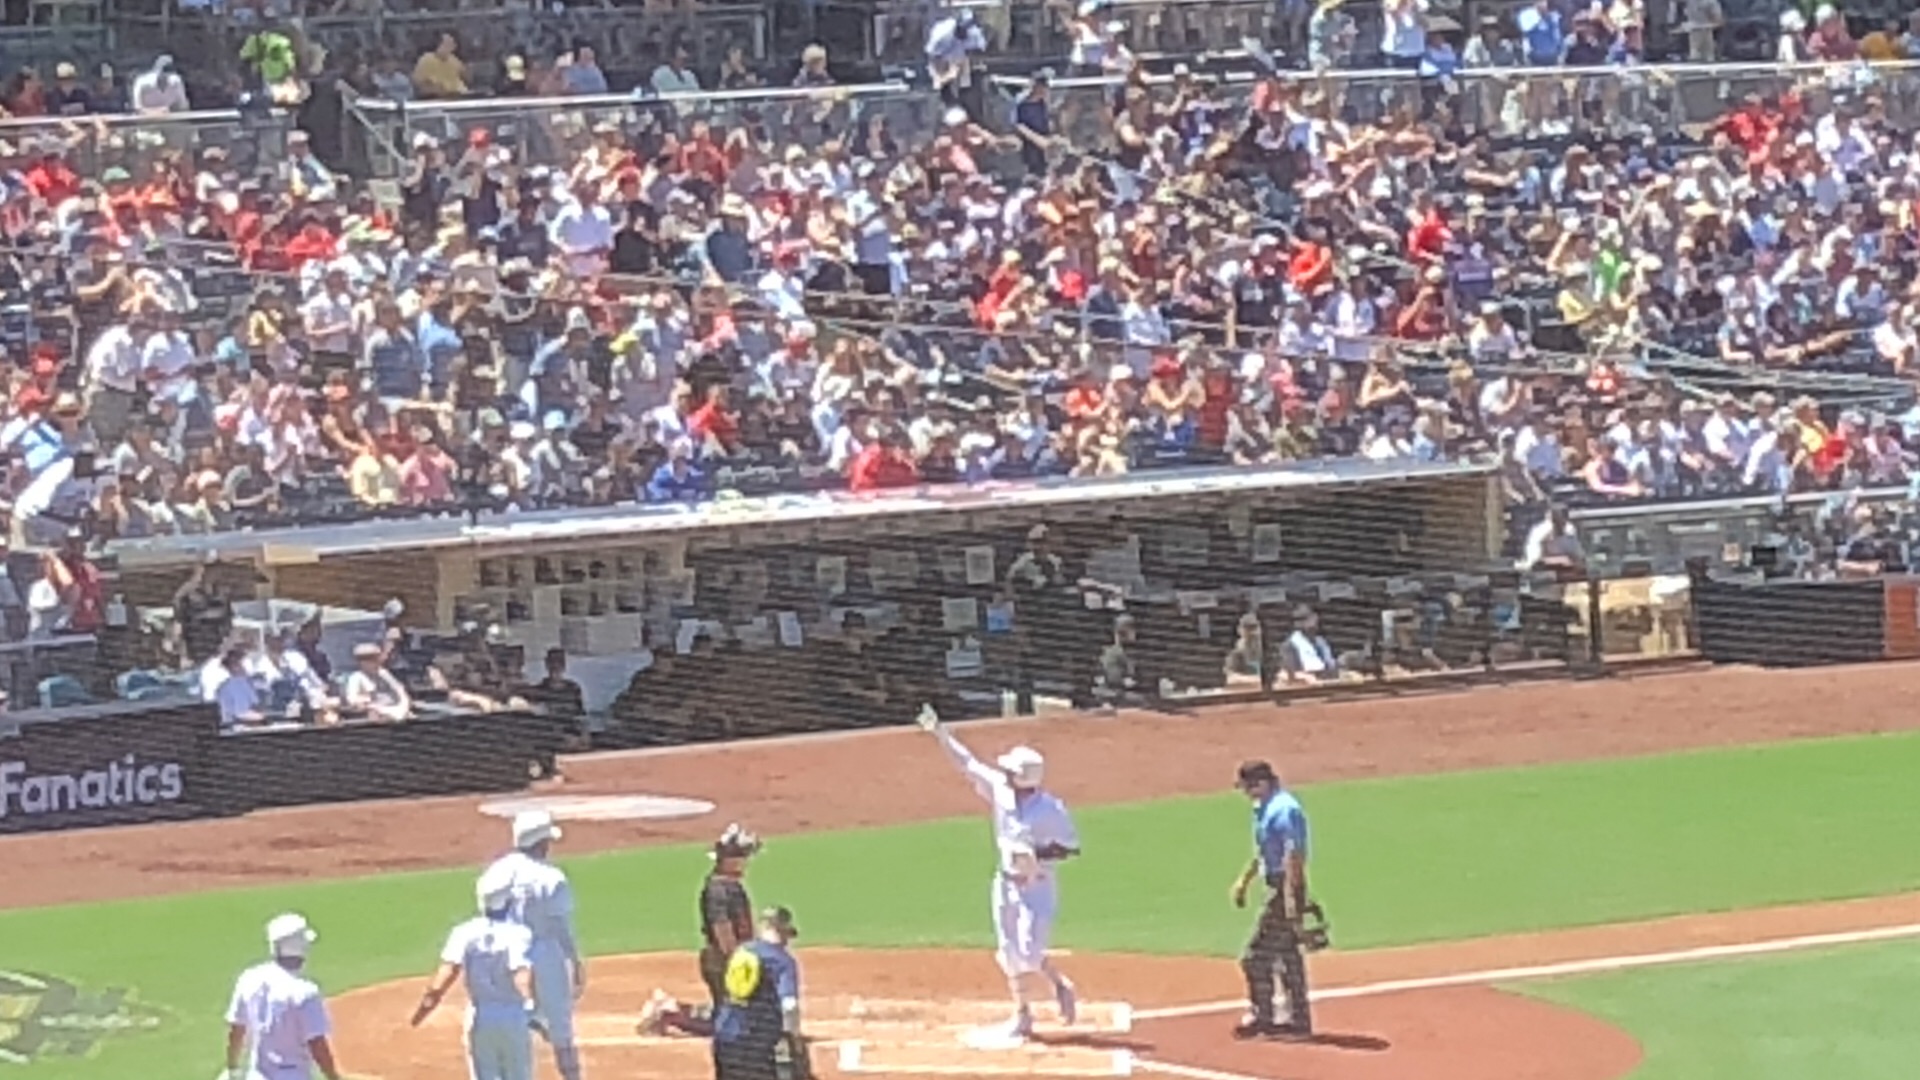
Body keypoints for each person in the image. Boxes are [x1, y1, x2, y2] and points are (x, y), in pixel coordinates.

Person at [916, 704, 1079, 1044]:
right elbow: (967, 764)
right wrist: (940, 733)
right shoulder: (1001, 791)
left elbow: (1070, 847)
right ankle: (1022, 1014)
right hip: (1004, 884)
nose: (1003, 773)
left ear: (1024, 778)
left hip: (1037, 886)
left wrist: (1035, 854)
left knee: (1030, 952)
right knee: (1009, 953)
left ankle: (1060, 984)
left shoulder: (1050, 809)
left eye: (1010, 771)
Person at [484, 811, 586, 1080]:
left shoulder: (495, 872)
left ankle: (531, 1018)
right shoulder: (551, 878)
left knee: (509, 1021)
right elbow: (560, 925)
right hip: (544, 953)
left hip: (505, 955)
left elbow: (488, 914)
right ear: (541, 842)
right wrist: (575, 960)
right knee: (562, 1030)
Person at [410, 866, 537, 1080]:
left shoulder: (464, 932)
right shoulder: (519, 934)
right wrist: (532, 1005)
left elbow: (447, 973)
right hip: (513, 1016)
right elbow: (520, 973)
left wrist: (425, 1007)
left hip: (480, 1016)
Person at [636, 823, 761, 1037]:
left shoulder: (730, 885)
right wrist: (737, 961)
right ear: (729, 859)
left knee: (738, 1016)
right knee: (730, 1026)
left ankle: (673, 1009)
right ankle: (670, 1014)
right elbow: (722, 930)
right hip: (721, 960)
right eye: (742, 856)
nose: (746, 862)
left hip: (733, 958)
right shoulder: (718, 889)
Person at [1229, 760, 1315, 1040]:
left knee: (1255, 957)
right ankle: (1298, 1021)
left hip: (1285, 887)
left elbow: (1294, 855)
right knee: (1288, 955)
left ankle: (1263, 1017)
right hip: (1278, 886)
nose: (1245, 793)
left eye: (1247, 787)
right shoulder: (1265, 808)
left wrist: (1291, 897)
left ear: (1261, 783)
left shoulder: (1284, 810)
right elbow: (1265, 851)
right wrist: (1245, 880)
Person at [224, 913, 345, 1080]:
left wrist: (232, 1067)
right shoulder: (305, 992)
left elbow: (236, 1029)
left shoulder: (249, 979)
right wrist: (333, 1077)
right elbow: (317, 1044)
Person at [711, 906, 804, 1080]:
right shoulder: (782, 961)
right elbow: (789, 1006)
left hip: (725, 1034)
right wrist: (793, 1037)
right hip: (757, 1043)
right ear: (782, 931)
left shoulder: (742, 951)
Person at [342, 641, 413, 721]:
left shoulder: (384, 673)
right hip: (376, 712)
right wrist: (366, 701)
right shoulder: (356, 677)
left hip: (395, 709)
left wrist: (404, 705)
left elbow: (399, 689)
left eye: (375, 659)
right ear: (361, 663)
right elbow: (352, 699)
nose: (375, 663)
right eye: (370, 661)